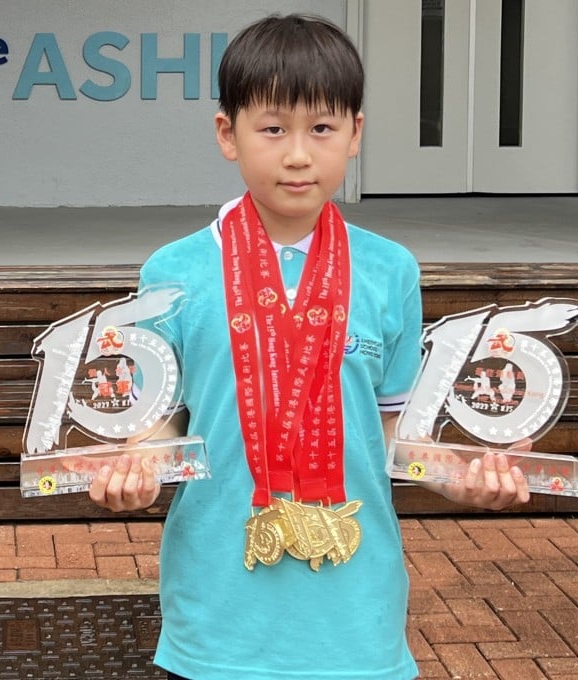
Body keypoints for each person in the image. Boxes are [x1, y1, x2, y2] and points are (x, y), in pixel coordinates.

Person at [85, 13, 531, 680]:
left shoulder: (390, 271)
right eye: (272, 128)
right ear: (226, 134)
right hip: (217, 618)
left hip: (355, 619)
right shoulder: (172, 273)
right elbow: (162, 422)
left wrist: (462, 476)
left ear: (355, 132)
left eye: (322, 128)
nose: (298, 154)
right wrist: (135, 473)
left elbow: (394, 426)